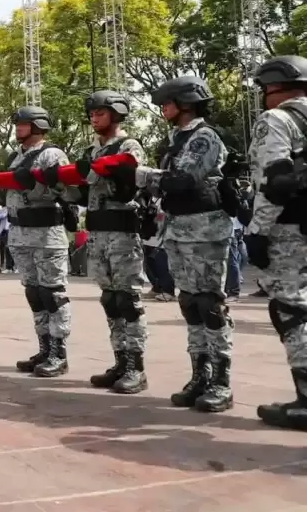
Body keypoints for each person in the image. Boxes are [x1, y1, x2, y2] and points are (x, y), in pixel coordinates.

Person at [129, 76, 234, 412]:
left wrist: (141, 175)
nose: (163, 107)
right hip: (178, 228)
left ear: (186, 102)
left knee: (209, 304)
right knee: (189, 302)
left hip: (205, 228)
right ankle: (199, 374)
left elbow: (184, 180)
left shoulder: (204, 137)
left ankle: (221, 380)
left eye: (168, 101)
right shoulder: (177, 138)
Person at [243, 55, 307, 430]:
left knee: (291, 310)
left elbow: (275, 182)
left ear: (274, 86)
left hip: (288, 227)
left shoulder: (277, 119)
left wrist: (258, 230)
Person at [73, 91, 149, 394]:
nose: (94, 118)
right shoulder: (91, 151)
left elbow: (127, 179)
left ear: (116, 114)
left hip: (121, 232)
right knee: (110, 300)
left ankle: (136, 366)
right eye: (92, 113)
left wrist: (92, 172)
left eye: (100, 113)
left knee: (128, 300)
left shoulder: (128, 146)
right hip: (98, 232)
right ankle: (120, 360)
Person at [0, 106, 74, 377]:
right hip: (20, 232)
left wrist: (37, 185)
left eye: (23, 123)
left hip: (46, 234)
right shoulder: (15, 157)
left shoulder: (52, 154)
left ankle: (59, 352)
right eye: (17, 123)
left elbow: (66, 191)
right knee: (34, 293)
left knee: (52, 294)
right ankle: (44, 347)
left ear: (38, 125)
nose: (18, 127)